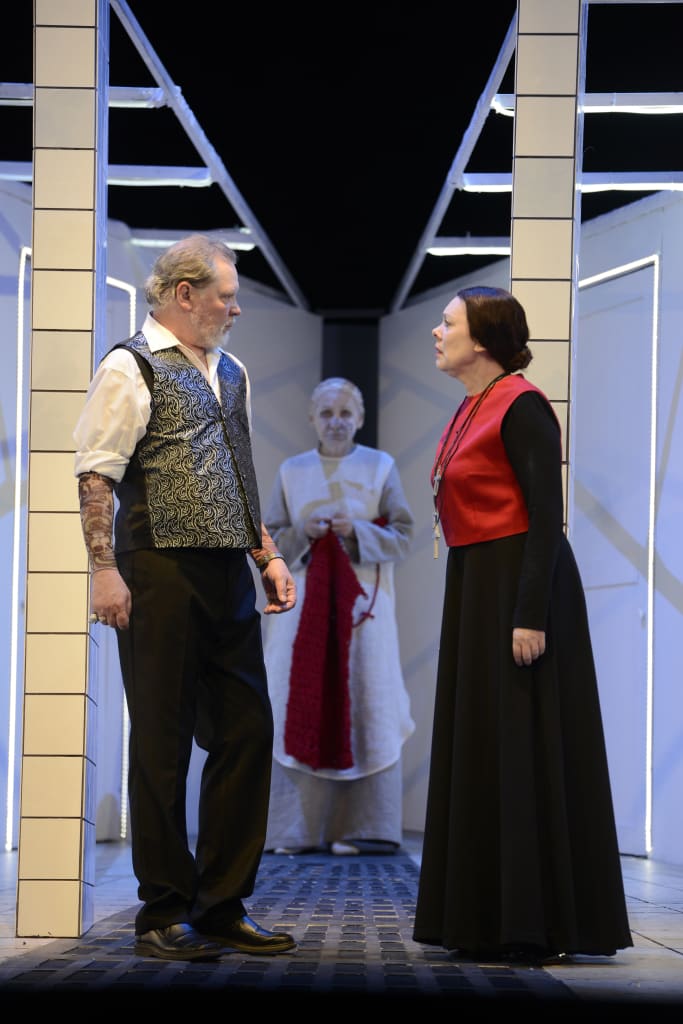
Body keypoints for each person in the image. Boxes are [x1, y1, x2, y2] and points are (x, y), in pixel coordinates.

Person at [73, 234, 298, 962]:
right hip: (157, 569)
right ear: (184, 295)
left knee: (245, 732)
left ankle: (221, 904)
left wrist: (265, 554)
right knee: (163, 741)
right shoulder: (129, 365)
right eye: (226, 296)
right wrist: (104, 571)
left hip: (226, 571)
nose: (235, 308)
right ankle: (163, 911)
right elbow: (96, 475)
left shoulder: (231, 370)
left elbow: (237, 470)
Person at [413, 285, 633, 963]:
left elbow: (544, 518)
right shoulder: (471, 405)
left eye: (446, 322)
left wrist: (529, 614)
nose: (435, 332)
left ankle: (533, 923)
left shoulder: (522, 404)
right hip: (476, 583)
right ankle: (481, 917)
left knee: (519, 741)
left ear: (482, 339)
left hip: (517, 587)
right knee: (485, 739)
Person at [261, 377, 415, 855]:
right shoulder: (292, 471)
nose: (336, 422)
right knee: (296, 697)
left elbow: (404, 535)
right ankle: (296, 832)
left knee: (367, 698)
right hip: (301, 610)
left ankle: (366, 828)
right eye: (327, 413)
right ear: (312, 418)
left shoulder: (380, 466)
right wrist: (303, 533)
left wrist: (358, 532)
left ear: (360, 419)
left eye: (345, 413)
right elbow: (268, 541)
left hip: (363, 610)